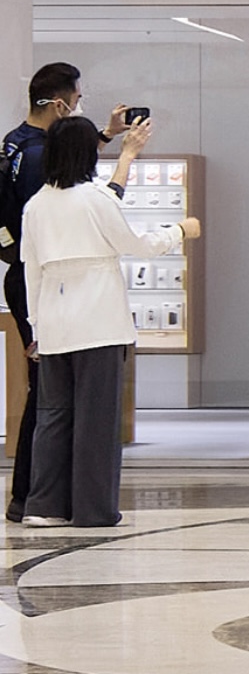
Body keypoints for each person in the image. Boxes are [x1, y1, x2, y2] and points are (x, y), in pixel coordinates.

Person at [19, 113, 164, 528]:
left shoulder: (36, 206)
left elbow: (32, 273)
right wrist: (178, 231)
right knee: (96, 420)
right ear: (87, 154)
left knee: (53, 417)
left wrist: (36, 330)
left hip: (54, 323)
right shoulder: (95, 199)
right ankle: (93, 509)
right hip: (99, 323)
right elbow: (136, 244)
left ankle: (44, 506)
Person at [0, 63, 130, 522]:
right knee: (65, 404)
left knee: (49, 399)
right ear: (58, 103)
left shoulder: (17, 144)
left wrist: (106, 137)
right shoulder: (45, 172)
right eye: (76, 102)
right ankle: (55, 499)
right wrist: (125, 157)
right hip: (62, 293)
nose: (78, 107)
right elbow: (76, 197)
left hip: (34, 283)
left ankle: (35, 501)